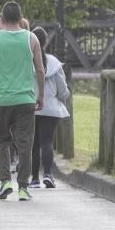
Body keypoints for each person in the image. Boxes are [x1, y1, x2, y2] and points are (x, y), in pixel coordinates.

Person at [0, 1, 44, 202]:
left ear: (2, 17)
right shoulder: (31, 39)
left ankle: (6, 182)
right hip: (25, 98)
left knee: (2, 141)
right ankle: (24, 187)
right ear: (20, 17)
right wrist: (40, 94)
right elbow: (40, 70)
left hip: (3, 98)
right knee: (25, 143)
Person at [29, 27, 70, 189]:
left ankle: (34, 179)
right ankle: (48, 174)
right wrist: (64, 96)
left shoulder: (28, 61)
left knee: (34, 144)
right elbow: (62, 89)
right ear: (46, 41)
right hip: (51, 107)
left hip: (32, 105)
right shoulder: (54, 63)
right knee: (47, 142)